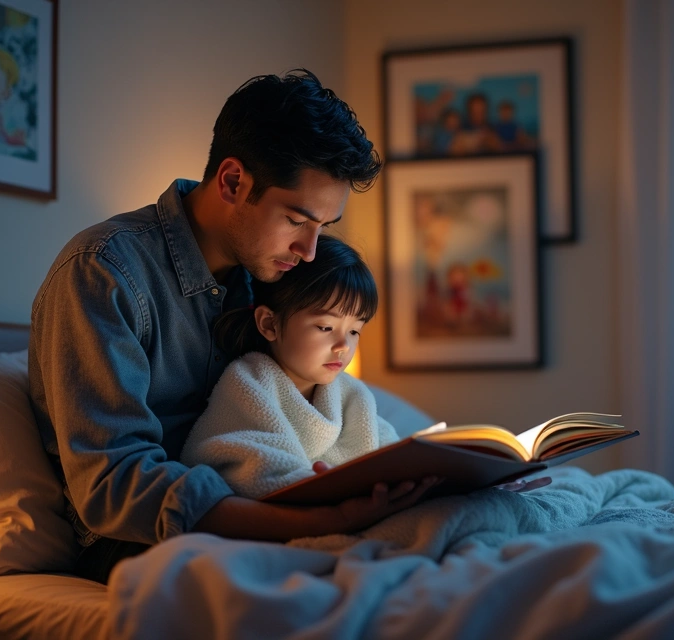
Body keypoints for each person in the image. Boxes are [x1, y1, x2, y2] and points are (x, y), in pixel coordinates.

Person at [29, 70, 438, 585]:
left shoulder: (272, 279)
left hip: (276, 502)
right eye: (296, 220)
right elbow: (116, 484)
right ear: (232, 182)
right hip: (140, 543)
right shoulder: (104, 272)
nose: (309, 252)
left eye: (322, 229)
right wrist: (318, 523)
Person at [181, 235, 400, 498]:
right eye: (325, 327)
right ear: (269, 324)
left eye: (355, 331)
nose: (343, 345)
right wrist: (323, 489)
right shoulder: (248, 385)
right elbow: (246, 464)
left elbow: (391, 453)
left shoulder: (352, 397)